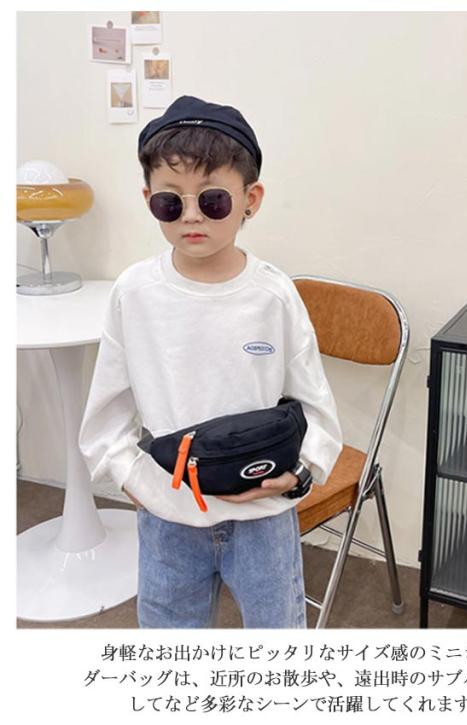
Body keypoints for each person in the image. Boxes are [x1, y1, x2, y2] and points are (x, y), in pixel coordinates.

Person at [78, 95, 343, 629]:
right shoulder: (135, 293)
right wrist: (136, 483)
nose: (192, 215)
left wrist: (300, 474)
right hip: (168, 514)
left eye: (214, 199)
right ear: (149, 199)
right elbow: (106, 415)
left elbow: (316, 407)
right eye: (170, 202)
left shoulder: (273, 295)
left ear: (251, 199)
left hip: (263, 515)